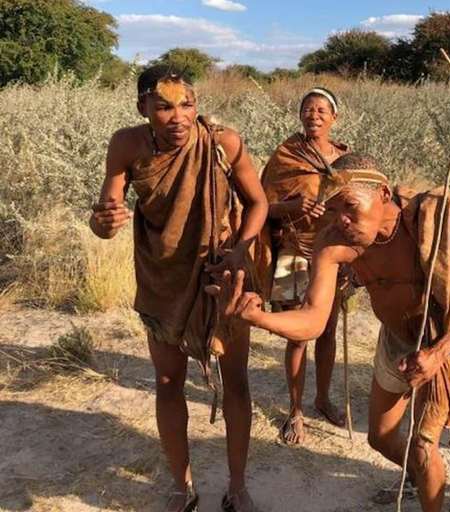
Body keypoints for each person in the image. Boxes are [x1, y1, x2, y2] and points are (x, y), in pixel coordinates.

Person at [207, 153, 450, 511]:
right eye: (334, 209)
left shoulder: (430, 218)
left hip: (443, 339)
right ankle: (418, 479)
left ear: (384, 195)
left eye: (350, 207)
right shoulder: (333, 243)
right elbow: (313, 320)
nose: (342, 220)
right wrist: (258, 318)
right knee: (380, 438)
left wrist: (438, 353)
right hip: (396, 342)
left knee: (422, 445)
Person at [89, 65, 268, 512]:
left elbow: (258, 201)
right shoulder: (126, 145)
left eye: (186, 104)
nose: (178, 116)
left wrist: (241, 250)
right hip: (161, 280)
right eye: (164, 106)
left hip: (220, 278)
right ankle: (181, 485)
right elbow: (105, 216)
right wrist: (103, 223)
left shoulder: (223, 142)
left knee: (237, 386)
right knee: (168, 382)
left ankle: (238, 487)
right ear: (142, 108)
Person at [260, 87, 349, 445]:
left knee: (326, 331)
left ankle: (322, 399)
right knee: (298, 334)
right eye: (308, 109)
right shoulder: (286, 156)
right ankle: (295, 410)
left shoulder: (345, 161)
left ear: (334, 118)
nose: (314, 115)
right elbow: (262, 206)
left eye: (322, 110)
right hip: (295, 251)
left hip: (332, 256)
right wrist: (293, 207)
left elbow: (357, 207)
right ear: (300, 115)